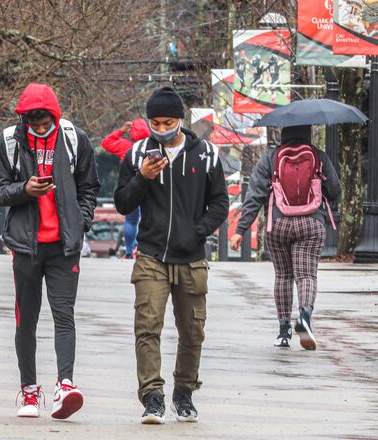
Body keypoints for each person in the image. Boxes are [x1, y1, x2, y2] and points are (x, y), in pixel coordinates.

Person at [114, 86, 229, 424]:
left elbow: (220, 201)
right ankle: (152, 397)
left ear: (180, 120)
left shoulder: (205, 154)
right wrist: (142, 178)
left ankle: (184, 392)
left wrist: (198, 230)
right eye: (154, 122)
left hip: (192, 257)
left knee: (193, 331)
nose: (160, 128)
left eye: (167, 122)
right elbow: (123, 202)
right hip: (151, 256)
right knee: (147, 327)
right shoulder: (137, 154)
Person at [0, 83, 100, 419]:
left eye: (43, 122)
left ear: (54, 115)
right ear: (23, 119)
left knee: (64, 315)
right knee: (27, 320)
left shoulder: (73, 138)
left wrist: (81, 222)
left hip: (64, 246)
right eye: (32, 123)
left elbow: (89, 186)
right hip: (26, 245)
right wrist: (25, 189)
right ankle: (28, 391)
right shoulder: (11, 140)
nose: (38, 128)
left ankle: (65, 384)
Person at [230, 125, 341, 350]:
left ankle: (283, 331)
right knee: (306, 275)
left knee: (283, 276)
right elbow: (335, 191)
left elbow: (255, 196)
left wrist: (240, 230)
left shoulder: (270, 158)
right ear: (308, 133)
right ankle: (305, 317)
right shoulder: (318, 156)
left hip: (278, 224)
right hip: (311, 223)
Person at [102, 118, 151, 258]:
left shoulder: (126, 146)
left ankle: (130, 251)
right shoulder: (153, 146)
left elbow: (106, 143)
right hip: (150, 187)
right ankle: (143, 250)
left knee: (131, 220)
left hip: (130, 186)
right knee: (149, 218)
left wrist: (122, 130)